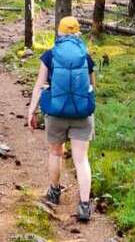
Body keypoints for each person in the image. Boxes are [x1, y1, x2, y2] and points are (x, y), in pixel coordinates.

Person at [26, 16, 96, 223]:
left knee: (55, 153)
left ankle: (54, 193)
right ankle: (84, 205)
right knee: (81, 159)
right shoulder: (86, 56)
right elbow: (92, 87)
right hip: (82, 114)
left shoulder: (50, 55)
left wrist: (32, 110)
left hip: (56, 113)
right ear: (76, 33)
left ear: (60, 32)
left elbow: (39, 85)